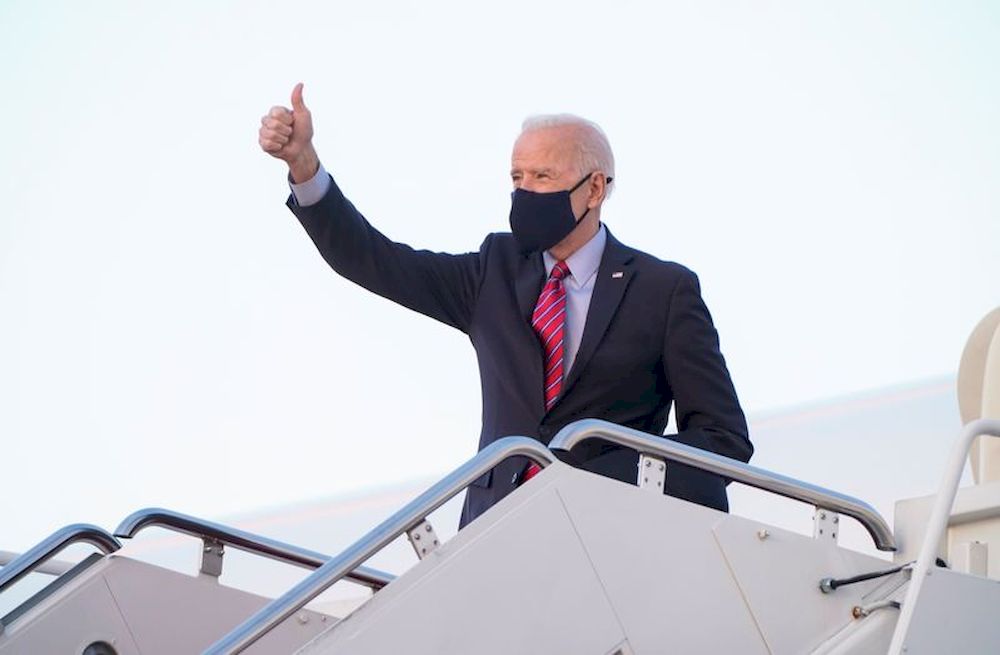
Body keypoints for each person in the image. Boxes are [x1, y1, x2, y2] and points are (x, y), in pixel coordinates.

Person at [258, 83, 753, 527]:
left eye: (542, 176)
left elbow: (722, 438)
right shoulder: (493, 270)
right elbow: (372, 259)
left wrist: (603, 474)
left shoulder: (663, 291)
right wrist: (304, 167)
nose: (524, 191)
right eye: (517, 177)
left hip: (610, 536)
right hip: (495, 533)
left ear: (595, 188)